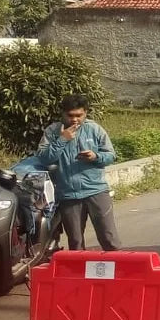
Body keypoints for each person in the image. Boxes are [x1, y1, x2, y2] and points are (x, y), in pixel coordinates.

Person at [37, 94, 121, 251]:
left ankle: (118, 272)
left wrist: (96, 156)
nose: (75, 120)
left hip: (96, 191)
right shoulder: (52, 131)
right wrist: (62, 140)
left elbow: (111, 155)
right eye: (70, 115)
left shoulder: (94, 129)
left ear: (86, 113)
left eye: (79, 115)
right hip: (68, 195)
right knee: (76, 242)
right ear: (62, 113)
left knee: (109, 238)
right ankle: (80, 274)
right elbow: (44, 159)